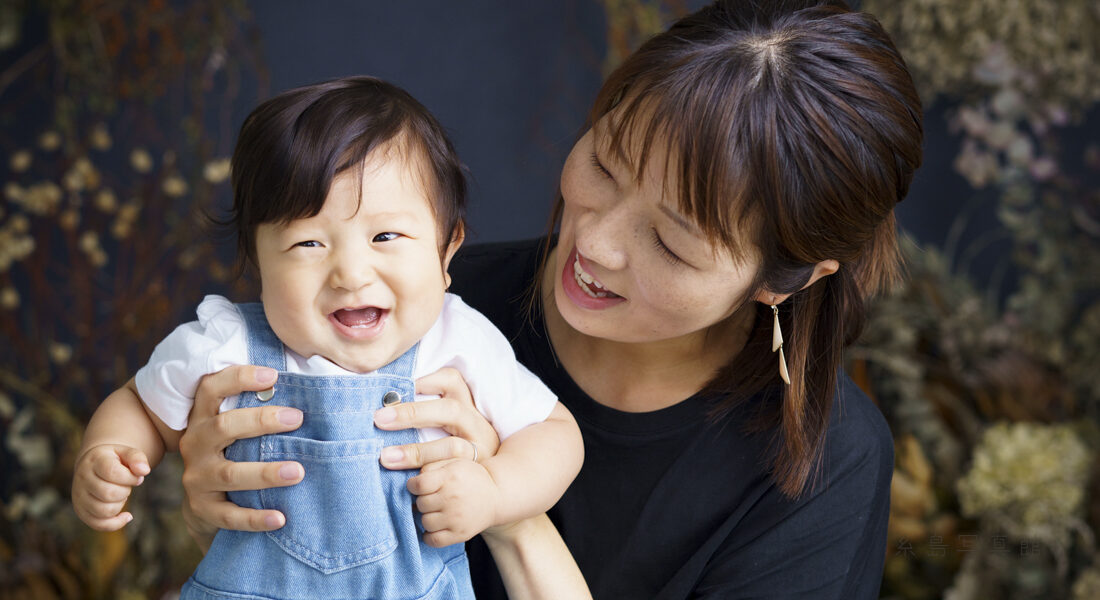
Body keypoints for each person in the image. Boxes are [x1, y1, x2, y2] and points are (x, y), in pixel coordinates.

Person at [176, 0, 925, 598]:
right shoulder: (420, 306)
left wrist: (509, 502)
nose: (595, 242)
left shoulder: (824, 468)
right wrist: (234, 484)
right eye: (604, 162)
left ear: (784, 279)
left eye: (670, 243)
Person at [71, 76, 583, 600]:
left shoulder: (456, 340)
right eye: (308, 242)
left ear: (447, 249)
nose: (351, 273)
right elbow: (140, 402)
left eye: (386, 236)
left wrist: (495, 492)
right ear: (257, 263)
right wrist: (110, 451)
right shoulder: (226, 344)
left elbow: (556, 435)